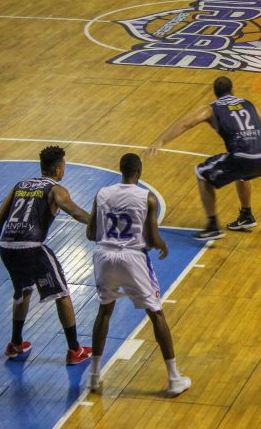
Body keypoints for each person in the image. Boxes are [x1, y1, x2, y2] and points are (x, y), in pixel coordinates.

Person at [86, 153, 190, 395]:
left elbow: (91, 234)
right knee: (156, 313)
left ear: (120, 170)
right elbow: (152, 239)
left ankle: (93, 377)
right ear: (139, 172)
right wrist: (162, 244)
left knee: (104, 312)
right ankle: (174, 379)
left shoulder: (102, 194)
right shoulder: (147, 197)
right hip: (132, 258)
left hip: (104, 256)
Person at [144, 76, 261, 240]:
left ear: (215, 93)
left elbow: (186, 124)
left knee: (202, 172)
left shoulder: (211, 109)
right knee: (240, 174)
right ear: (232, 90)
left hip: (243, 157)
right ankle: (246, 215)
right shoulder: (249, 104)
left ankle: (213, 226)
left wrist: (161, 141)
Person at [0, 146, 92, 365]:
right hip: (31, 248)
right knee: (62, 293)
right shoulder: (56, 189)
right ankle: (74, 350)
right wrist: (99, 223)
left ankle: (15, 343)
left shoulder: (20, 185)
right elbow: (75, 211)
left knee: (23, 290)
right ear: (59, 169)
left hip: (6, 247)